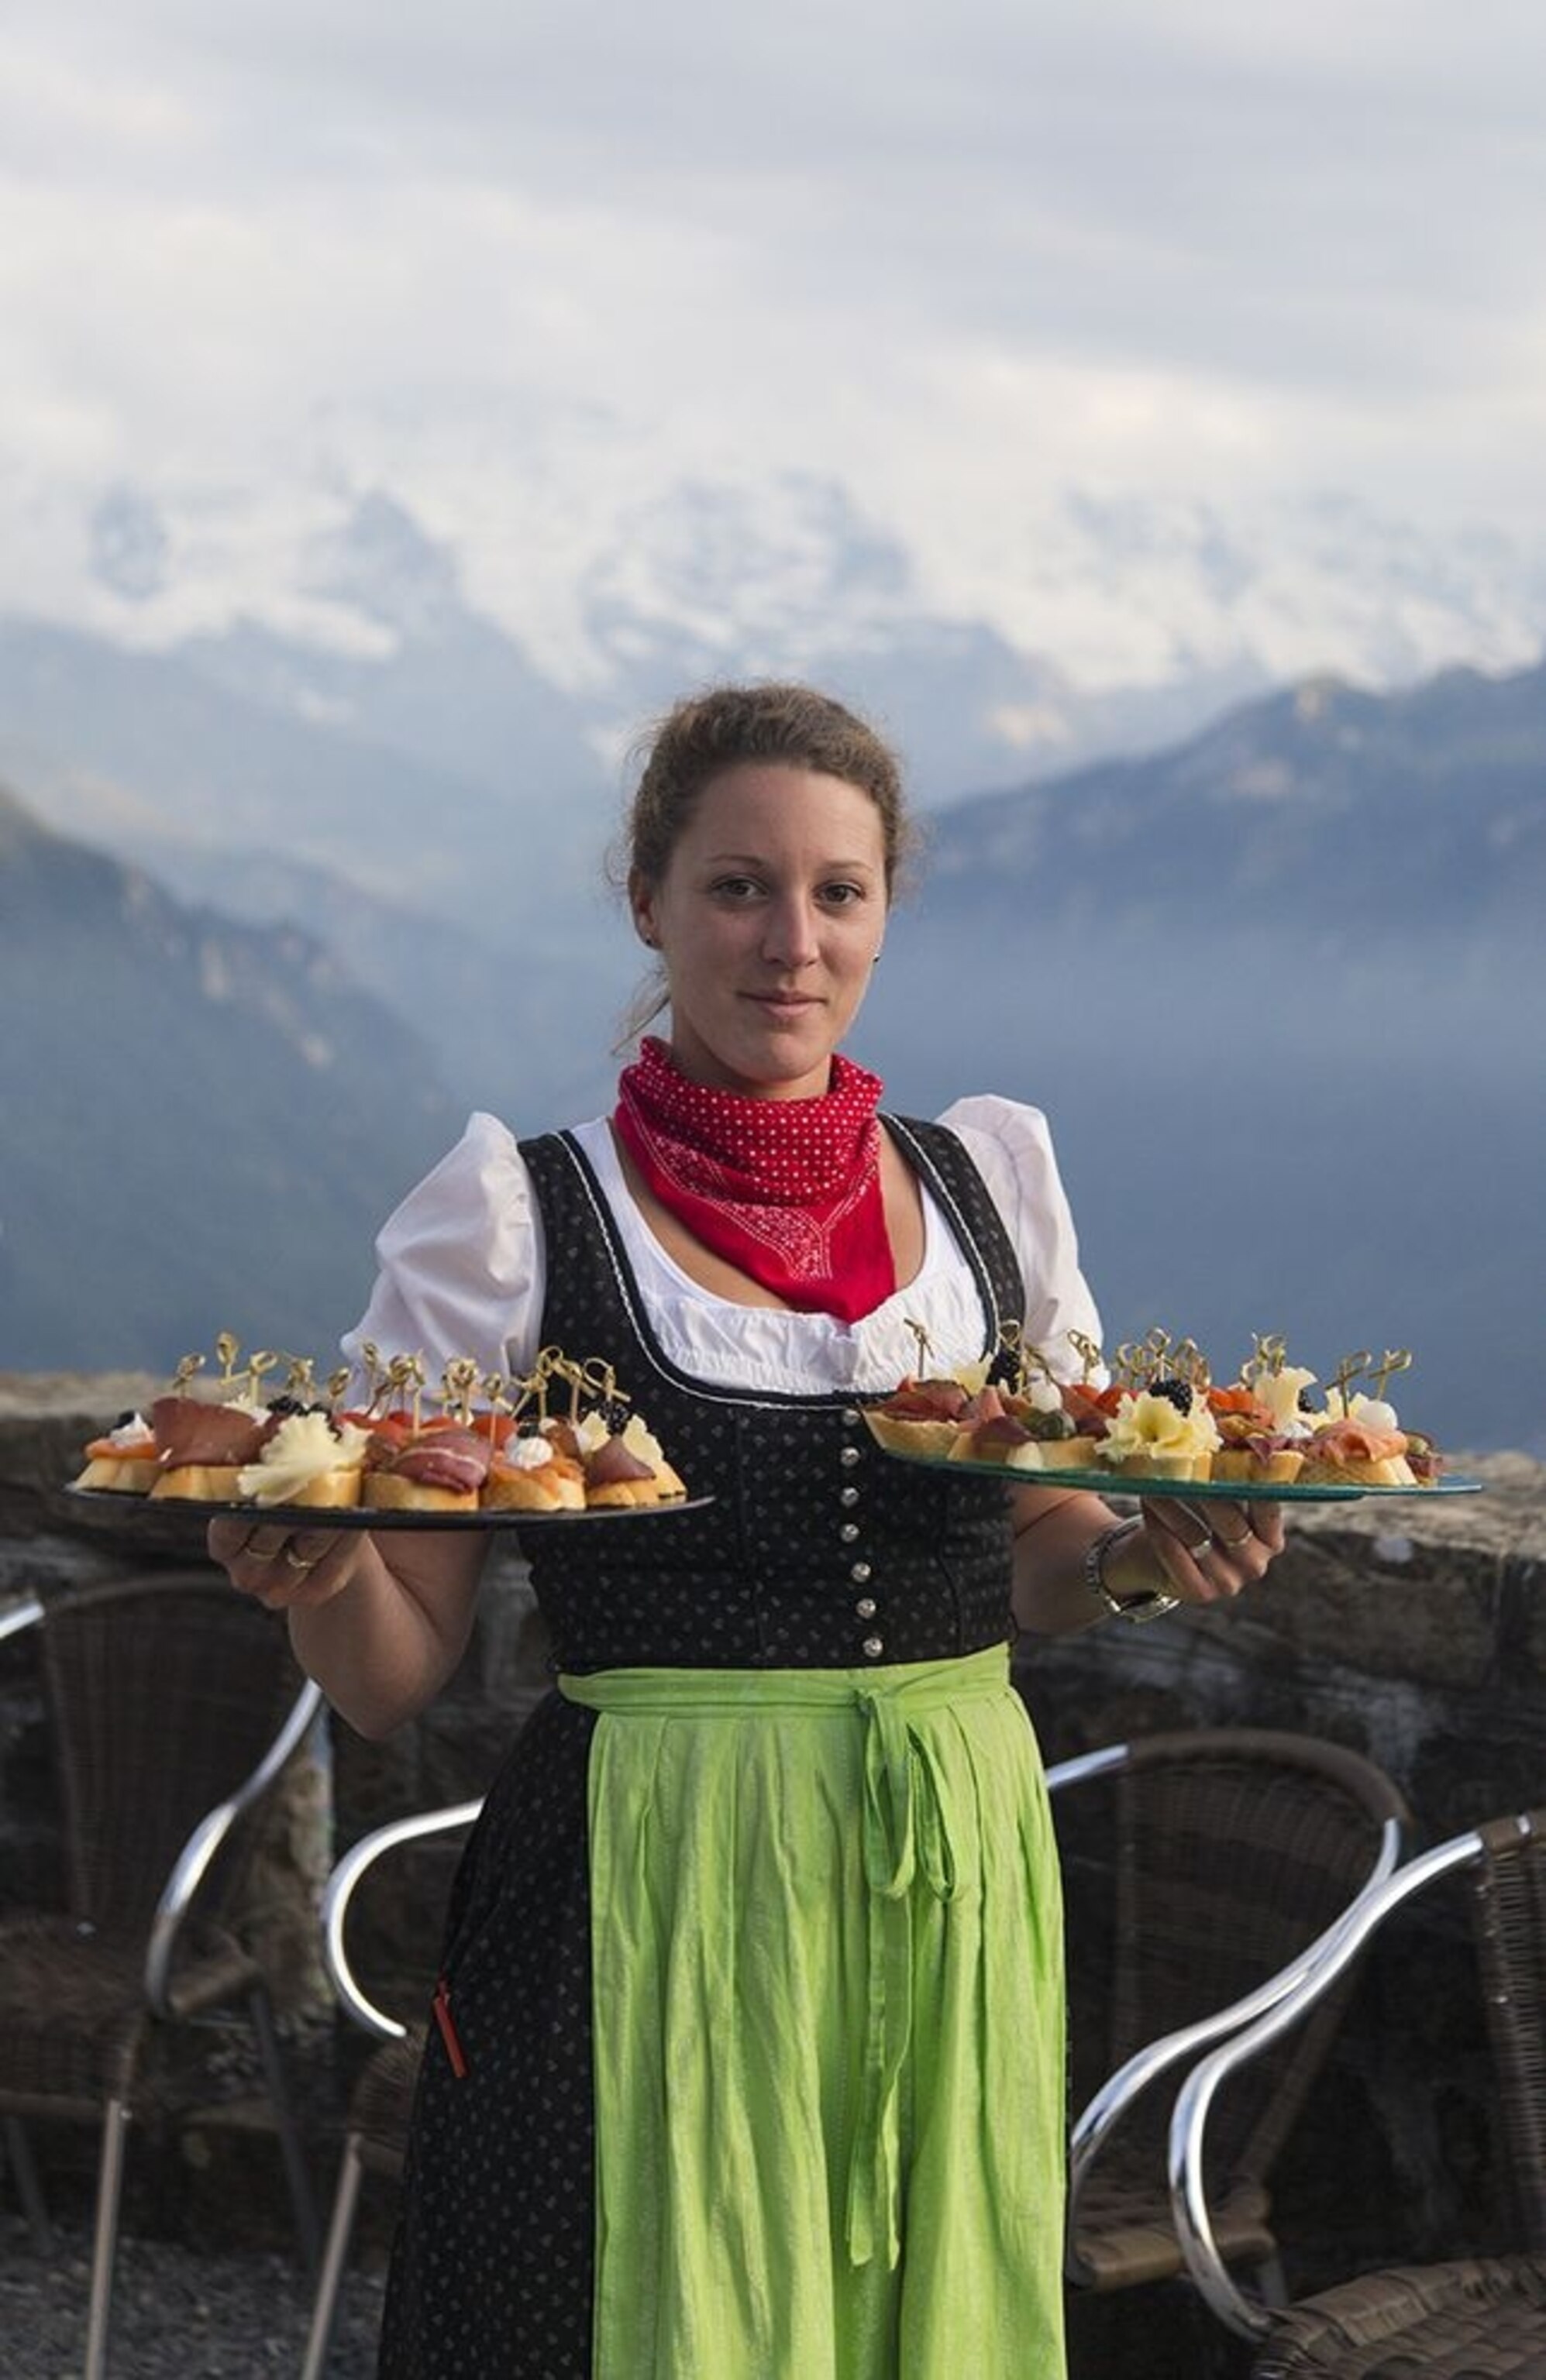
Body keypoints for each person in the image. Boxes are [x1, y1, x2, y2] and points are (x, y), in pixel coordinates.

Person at [208, 682, 1285, 2380]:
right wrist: (322, 1564)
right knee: (616, 2314)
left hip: (944, 1865)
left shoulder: (989, 1191)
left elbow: (1040, 1554)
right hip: (646, 1878)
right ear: (648, 901)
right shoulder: (512, 1220)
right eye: (737, 887)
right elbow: (385, 1680)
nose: (792, 941)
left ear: (881, 915)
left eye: (836, 893)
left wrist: (1152, 1554)